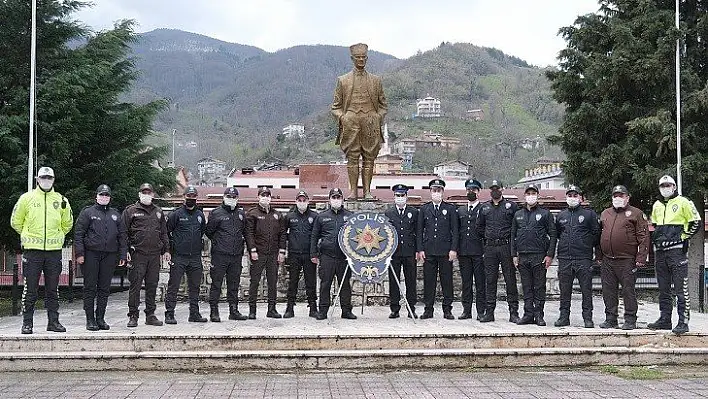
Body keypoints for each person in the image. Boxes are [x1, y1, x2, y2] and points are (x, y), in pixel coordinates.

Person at [11, 166, 73, 334]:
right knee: (30, 289)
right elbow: (15, 221)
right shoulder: (26, 198)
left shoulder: (61, 200)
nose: (46, 180)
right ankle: (27, 323)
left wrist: (58, 235)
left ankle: (53, 322)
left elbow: (67, 223)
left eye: (49, 178)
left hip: (53, 251)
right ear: (37, 179)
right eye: (43, 178)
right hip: (32, 251)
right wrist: (27, 233)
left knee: (53, 289)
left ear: (53, 180)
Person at [330, 43, 388, 200]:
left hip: (370, 123)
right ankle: (353, 191)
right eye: (358, 57)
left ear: (367, 58)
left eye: (363, 57)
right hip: (351, 123)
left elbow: (383, 106)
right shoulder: (343, 81)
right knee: (353, 157)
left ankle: (367, 191)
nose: (361, 60)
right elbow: (335, 107)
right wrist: (343, 117)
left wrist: (377, 118)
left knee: (369, 157)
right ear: (352, 58)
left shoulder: (376, 81)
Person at [648, 175, 702, 335]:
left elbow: (696, 223)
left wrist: (682, 237)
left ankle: (683, 322)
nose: (665, 188)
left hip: (677, 252)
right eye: (662, 185)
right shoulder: (657, 205)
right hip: (661, 253)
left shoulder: (684, 202)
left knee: (681, 288)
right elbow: (656, 226)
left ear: (674, 187)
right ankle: (665, 319)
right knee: (663, 289)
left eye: (668, 185)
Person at [74, 184, 127, 331]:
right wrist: (79, 253)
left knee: (104, 288)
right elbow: (78, 234)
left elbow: (122, 236)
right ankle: (90, 319)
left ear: (110, 198)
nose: (104, 197)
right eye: (101, 195)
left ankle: (100, 318)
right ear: (96, 196)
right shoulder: (87, 213)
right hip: (91, 254)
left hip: (109, 255)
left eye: (106, 195)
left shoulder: (115, 214)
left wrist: (123, 254)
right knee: (90, 287)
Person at [597, 185, 649, 330]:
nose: (618, 198)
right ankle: (611, 318)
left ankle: (630, 319)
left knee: (628, 290)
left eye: (621, 195)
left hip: (627, 260)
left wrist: (641, 257)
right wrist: (599, 255)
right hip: (608, 260)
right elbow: (600, 235)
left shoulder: (636, 213)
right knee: (608, 291)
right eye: (615, 196)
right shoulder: (605, 213)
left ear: (627, 197)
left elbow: (643, 236)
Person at [121, 183, 169, 327]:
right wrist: (125, 252)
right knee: (135, 286)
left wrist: (167, 250)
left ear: (153, 194)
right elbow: (123, 233)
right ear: (139, 194)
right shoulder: (130, 211)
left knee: (152, 285)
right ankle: (133, 315)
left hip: (154, 255)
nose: (146, 195)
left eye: (149, 192)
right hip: (138, 254)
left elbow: (164, 233)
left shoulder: (158, 212)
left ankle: (150, 315)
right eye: (144, 192)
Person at [554, 185, 600, 328]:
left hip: (583, 258)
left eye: (575, 195)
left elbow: (596, 234)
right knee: (564, 290)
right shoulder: (561, 215)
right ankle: (563, 317)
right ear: (566, 197)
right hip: (565, 258)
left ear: (580, 197)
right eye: (570, 195)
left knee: (586, 290)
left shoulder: (589, 214)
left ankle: (587, 318)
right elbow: (558, 234)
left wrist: (585, 245)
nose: (572, 198)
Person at [510, 184, 557, 326]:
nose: (531, 196)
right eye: (528, 193)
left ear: (538, 195)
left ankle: (539, 315)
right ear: (525, 196)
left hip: (539, 256)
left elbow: (553, 235)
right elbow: (513, 236)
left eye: (533, 193)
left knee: (539, 286)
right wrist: (514, 255)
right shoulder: (518, 214)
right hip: (523, 256)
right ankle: (528, 314)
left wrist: (549, 255)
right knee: (526, 287)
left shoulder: (545, 213)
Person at [476, 180, 520, 323]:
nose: (495, 191)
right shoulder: (484, 208)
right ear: (490, 190)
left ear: (502, 189)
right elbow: (479, 228)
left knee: (510, 279)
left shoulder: (511, 206)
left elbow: (517, 227)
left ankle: (513, 312)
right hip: (490, 248)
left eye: (497, 188)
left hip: (506, 247)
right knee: (490, 280)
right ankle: (489, 312)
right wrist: (488, 239)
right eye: (493, 188)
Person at [310, 188, 357, 320]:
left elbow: (356, 236)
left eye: (338, 197)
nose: (336, 200)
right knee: (325, 284)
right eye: (334, 197)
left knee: (345, 284)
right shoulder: (322, 216)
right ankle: (323, 310)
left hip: (344, 257)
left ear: (342, 199)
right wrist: (313, 254)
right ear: (329, 200)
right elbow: (314, 236)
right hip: (327, 256)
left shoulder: (350, 216)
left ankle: (346, 310)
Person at [417, 178, 459, 320]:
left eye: (439, 190)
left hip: (445, 251)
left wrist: (453, 249)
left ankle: (447, 309)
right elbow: (419, 231)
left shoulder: (450, 209)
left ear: (443, 192)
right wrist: (420, 249)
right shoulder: (424, 209)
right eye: (434, 190)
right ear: (430, 192)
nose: (436, 193)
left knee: (447, 281)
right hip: (429, 251)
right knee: (429, 281)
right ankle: (428, 309)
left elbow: (455, 231)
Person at [205, 186, 248, 322]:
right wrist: (220, 243)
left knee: (234, 284)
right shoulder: (216, 213)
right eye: (229, 197)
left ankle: (233, 311)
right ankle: (214, 311)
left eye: (234, 197)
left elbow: (245, 232)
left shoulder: (241, 214)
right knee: (216, 284)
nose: (231, 199)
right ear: (224, 197)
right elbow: (209, 232)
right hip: (220, 255)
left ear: (237, 199)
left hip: (236, 256)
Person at [165, 185, 207, 324]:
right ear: (184, 197)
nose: (191, 199)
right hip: (179, 256)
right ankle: (169, 314)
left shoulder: (200, 215)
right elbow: (167, 233)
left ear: (196, 198)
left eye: (193, 196)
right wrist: (168, 251)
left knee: (195, 287)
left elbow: (202, 232)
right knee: (174, 286)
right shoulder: (175, 214)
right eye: (189, 196)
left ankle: (194, 314)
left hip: (195, 257)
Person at [245, 186, 287, 319]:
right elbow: (249, 233)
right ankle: (252, 310)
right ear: (258, 197)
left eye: (267, 196)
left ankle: (272, 309)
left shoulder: (277, 214)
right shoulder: (252, 213)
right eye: (263, 195)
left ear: (270, 198)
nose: (265, 198)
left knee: (272, 282)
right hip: (258, 253)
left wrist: (282, 251)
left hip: (273, 254)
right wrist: (252, 250)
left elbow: (282, 234)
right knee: (255, 282)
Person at [384, 184, 419, 319]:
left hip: (410, 251)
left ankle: (411, 308)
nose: (400, 198)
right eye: (397, 196)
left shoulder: (414, 212)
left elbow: (418, 232)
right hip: (394, 253)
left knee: (411, 280)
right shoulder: (389, 213)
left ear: (406, 196)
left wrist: (418, 250)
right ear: (394, 197)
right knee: (394, 280)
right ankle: (394, 308)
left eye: (402, 195)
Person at [283, 190, 319, 318]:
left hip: (309, 255)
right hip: (294, 254)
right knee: (292, 281)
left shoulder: (314, 216)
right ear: (296, 201)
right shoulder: (289, 216)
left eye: (304, 200)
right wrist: (285, 248)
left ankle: (313, 307)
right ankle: (289, 307)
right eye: (300, 200)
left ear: (308, 202)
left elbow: (316, 236)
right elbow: (283, 234)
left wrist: (315, 254)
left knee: (311, 281)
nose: (302, 202)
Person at [457, 179, 486, 320]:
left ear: (478, 192)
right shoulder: (461, 210)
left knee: (480, 283)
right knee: (466, 283)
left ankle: (481, 311)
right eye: (469, 190)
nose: (471, 192)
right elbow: (457, 231)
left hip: (479, 252)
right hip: (464, 251)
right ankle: (466, 310)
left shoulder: (484, 209)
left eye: (474, 190)